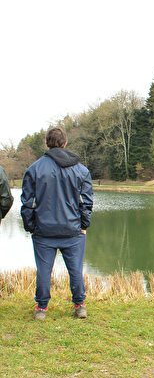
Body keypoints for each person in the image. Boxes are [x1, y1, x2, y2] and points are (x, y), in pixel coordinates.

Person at [21, 128, 93, 321]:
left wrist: (31, 227)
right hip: (72, 231)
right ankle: (80, 306)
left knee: (44, 271)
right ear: (65, 144)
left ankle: (41, 308)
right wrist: (83, 224)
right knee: (75, 270)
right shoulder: (81, 170)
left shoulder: (34, 169)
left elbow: (27, 203)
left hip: (44, 231)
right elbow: (86, 202)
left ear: (46, 143)